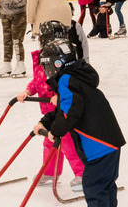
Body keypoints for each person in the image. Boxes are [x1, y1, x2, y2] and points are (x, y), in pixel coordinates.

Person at [33, 22, 125, 207]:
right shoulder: (77, 77)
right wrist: (46, 122)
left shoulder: (66, 81)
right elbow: (64, 108)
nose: (46, 72)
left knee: (93, 186)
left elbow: (69, 113)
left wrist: (56, 130)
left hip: (98, 144)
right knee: (106, 185)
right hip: (110, 142)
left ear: (56, 64)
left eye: (47, 67)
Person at [17, 45, 84, 191]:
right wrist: (27, 91)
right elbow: (37, 81)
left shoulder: (59, 61)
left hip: (63, 114)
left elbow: (67, 83)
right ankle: (50, 172)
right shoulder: (42, 60)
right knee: (49, 143)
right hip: (49, 113)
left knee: (68, 144)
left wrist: (59, 96)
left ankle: (82, 174)